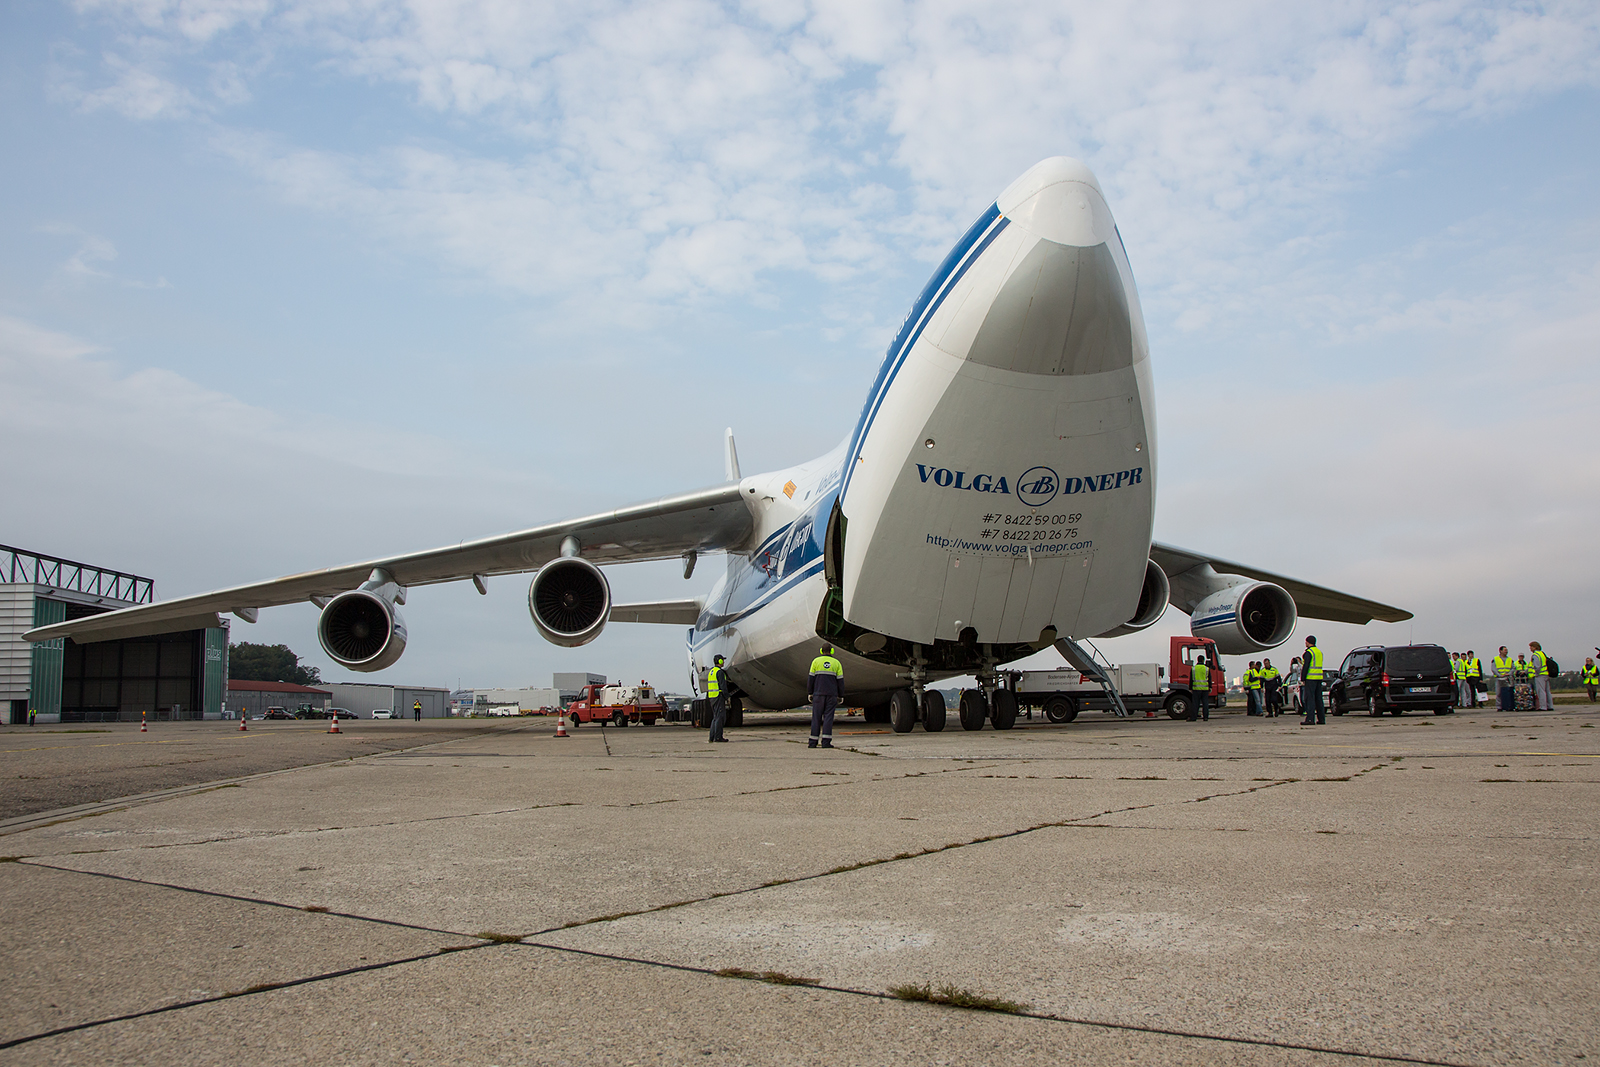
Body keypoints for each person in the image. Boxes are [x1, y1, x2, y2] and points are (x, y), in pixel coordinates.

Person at [807, 644, 844, 749]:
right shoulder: (836, 663)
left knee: (816, 718)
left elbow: (810, 679)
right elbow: (840, 681)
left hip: (818, 694)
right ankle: (826, 742)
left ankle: (813, 742)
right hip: (831, 695)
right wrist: (841, 695)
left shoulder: (815, 661)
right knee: (828, 718)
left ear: (821, 651)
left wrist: (810, 692)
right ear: (832, 651)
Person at [1300, 635, 1326, 725]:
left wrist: (1302, 678)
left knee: (1309, 699)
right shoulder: (1319, 652)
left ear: (1308, 642)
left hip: (1310, 678)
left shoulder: (1309, 652)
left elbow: (1306, 666)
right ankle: (1321, 719)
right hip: (1319, 678)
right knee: (1319, 699)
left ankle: (1310, 719)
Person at [706, 655, 730, 743]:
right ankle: (718, 737)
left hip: (712, 696)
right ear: (719, 661)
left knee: (715, 717)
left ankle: (711, 737)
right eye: (722, 660)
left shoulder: (711, 671)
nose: (723, 662)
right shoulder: (719, 672)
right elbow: (723, 686)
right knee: (720, 717)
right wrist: (727, 696)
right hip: (718, 696)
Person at [1529, 642, 1553, 711]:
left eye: (1531, 647)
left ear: (1535, 647)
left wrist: (1536, 673)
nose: (1530, 649)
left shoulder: (1535, 655)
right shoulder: (1542, 654)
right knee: (1547, 691)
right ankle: (1550, 706)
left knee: (1541, 691)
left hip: (1540, 675)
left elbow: (1537, 666)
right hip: (1546, 674)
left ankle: (1543, 706)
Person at [1189, 656, 1211, 721]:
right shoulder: (1206, 669)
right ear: (1203, 660)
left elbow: (1191, 679)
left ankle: (1193, 718)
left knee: (1195, 704)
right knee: (1205, 703)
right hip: (1205, 689)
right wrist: (1210, 687)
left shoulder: (1193, 668)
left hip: (1196, 689)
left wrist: (1190, 688)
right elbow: (1209, 679)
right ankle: (1206, 717)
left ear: (1197, 660)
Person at [1493, 646, 1516, 711]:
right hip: (1499, 678)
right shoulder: (1495, 659)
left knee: (1509, 692)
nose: (1506, 651)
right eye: (1505, 650)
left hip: (1508, 678)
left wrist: (1509, 673)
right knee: (1499, 693)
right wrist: (1499, 675)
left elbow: (1513, 667)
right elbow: (1493, 669)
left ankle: (1508, 706)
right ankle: (1499, 706)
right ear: (1500, 651)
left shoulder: (1510, 659)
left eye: (1507, 650)